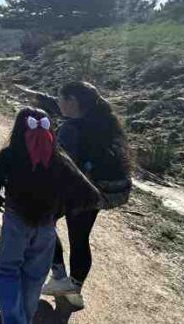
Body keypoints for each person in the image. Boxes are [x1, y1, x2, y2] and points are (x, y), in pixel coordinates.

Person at [0, 107, 102, 324]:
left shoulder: (10, 155)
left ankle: (14, 320)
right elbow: (91, 195)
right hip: (46, 227)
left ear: (19, 128)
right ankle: (25, 320)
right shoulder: (60, 159)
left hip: (16, 221)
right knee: (33, 279)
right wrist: (60, 210)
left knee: (7, 273)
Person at [41, 81, 133, 310]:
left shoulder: (71, 129)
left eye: (60, 97)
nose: (58, 102)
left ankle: (59, 277)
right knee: (80, 238)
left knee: (44, 222)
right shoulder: (104, 123)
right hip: (98, 192)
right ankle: (74, 290)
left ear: (72, 101)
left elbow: (61, 165)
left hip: (77, 191)